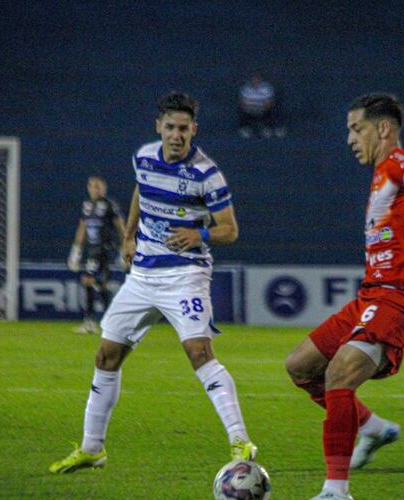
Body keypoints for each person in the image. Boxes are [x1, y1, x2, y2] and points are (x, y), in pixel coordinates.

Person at [49, 91, 257, 474]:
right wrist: (128, 236)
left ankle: (240, 441)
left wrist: (200, 236)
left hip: (185, 276)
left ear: (194, 129)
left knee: (199, 353)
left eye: (184, 128)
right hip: (143, 276)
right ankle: (93, 448)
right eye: (170, 127)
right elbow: (140, 192)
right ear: (158, 128)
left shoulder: (206, 174)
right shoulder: (144, 157)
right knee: (106, 355)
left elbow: (231, 229)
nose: (177, 135)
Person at [285, 93, 404, 500]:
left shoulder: (397, 163)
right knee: (300, 366)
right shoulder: (382, 177)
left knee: (340, 373)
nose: (350, 138)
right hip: (373, 294)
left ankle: (336, 492)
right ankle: (372, 427)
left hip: (399, 299)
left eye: (356, 128)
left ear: (383, 128)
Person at [68, 176, 126, 334]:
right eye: (93, 186)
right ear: (88, 188)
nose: (96, 189)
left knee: (87, 279)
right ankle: (112, 320)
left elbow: (120, 226)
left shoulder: (109, 205)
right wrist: (76, 250)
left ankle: (90, 322)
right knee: (100, 284)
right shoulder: (87, 206)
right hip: (92, 249)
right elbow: (82, 228)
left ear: (104, 189)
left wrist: (124, 248)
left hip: (104, 248)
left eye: (99, 187)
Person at [238, 74, 284, 138]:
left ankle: (268, 129)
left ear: (261, 80)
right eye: (253, 80)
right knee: (242, 111)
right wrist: (254, 106)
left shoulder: (267, 88)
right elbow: (243, 103)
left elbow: (269, 102)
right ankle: (246, 129)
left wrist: (258, 106)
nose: (255, 82)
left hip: (263, 109)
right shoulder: (245, 89)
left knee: (273, 110)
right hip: (249, 110)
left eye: (257, 80)